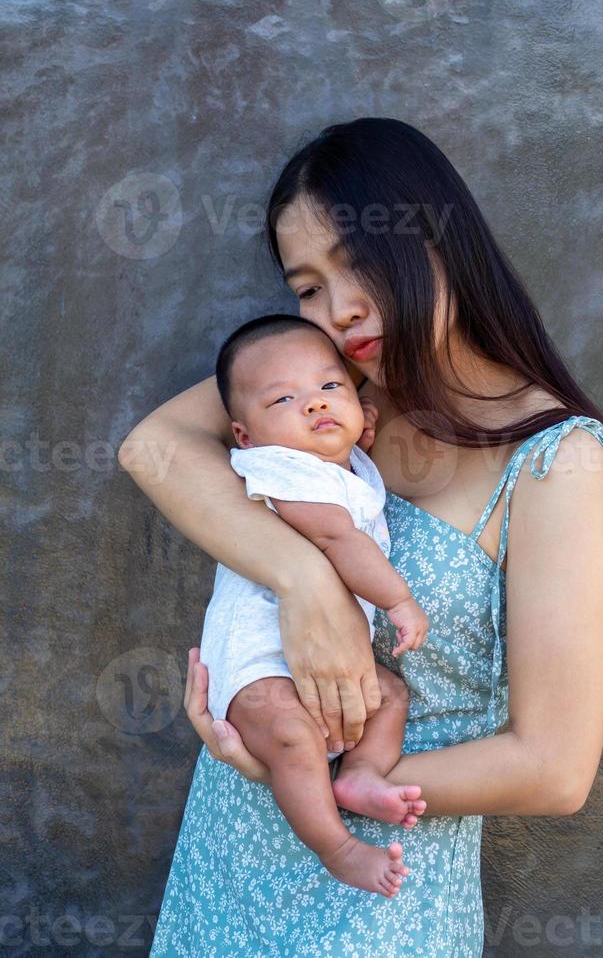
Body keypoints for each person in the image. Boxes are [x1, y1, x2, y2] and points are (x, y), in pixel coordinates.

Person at [118, 117, 603, 956]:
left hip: (381, 889)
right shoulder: (323, 393)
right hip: (226, 847)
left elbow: (553, 768)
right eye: (306, 287)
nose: (340, 310)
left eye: (359, 262)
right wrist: (303, 582)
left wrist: (306, 776)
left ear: (438, 240)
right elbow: (151, 448)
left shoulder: (557, 461)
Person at [199, 312, 429, 896]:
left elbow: (347, 463)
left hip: (320, 656)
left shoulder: (338, 464)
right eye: (283, 398)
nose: (313, 405)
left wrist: (352, 437)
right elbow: (338, 538)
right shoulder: (279, 471)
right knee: (294, 737)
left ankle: (358, 775)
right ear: (246, 437)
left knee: (391, 695)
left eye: (330, 387)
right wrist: (398, 601)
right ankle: (338, 846)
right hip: (260, 660)